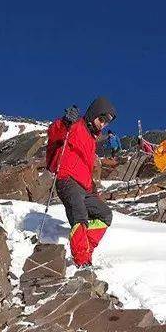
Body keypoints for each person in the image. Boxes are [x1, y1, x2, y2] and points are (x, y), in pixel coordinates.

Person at [45, 97, 117, 267]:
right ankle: (82, 261)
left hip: (86, 187)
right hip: (67, 179)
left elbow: (86, 167)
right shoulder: (74, 126)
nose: (103, 124)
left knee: (105, 215)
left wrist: (93, 190)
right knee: (79, 215)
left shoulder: (92, 140)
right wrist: (65, 122)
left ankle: (85, 248)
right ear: (94, 113)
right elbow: (54, 134)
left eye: (106, 122)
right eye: (101, 119)